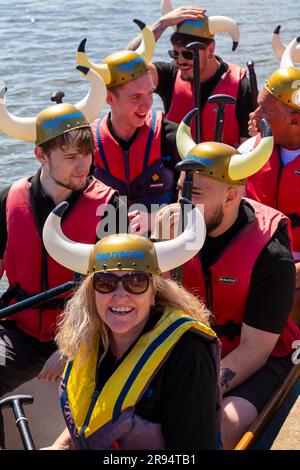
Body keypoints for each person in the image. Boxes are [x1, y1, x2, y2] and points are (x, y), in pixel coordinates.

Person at [154, 109, 300, 449]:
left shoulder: (271, 255)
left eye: (197, 195)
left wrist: (195, 391)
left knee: (220, 425)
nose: (183, 204)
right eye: (180, 192)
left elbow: (254, 351)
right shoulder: (172, 227)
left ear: (231, 196)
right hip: (191, 354)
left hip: (262, 359)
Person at [40, 198, 221, 450]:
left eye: (136, 282)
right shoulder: (91, 338)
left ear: (154, 292)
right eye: (105, 283)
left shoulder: (188, 353)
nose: (120, 295)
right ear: (92, 292)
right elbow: (93, 415)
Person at [0, 68, 118, 448]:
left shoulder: (111, 205)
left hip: (90, 335)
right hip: (20, 330)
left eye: (87, 155)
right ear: (40, 154)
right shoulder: (8, 199)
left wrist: (72, 345)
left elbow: (119, 295)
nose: (83, 166)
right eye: (70, 157)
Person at [76, 20, 180, 235]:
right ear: (109, 98)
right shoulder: (85, 144)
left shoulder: (173, 136)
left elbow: (203, 199)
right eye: (136, 97)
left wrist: (160, 218)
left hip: (162, 251)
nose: (147, 104)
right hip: (105, 254)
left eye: (150, 93)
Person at [127, 3, 253, 146]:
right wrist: (162, 24)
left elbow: (248, 145)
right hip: (178, 166)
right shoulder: (168, 75)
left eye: (188, 54)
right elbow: (122, 69)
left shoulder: (241, 86)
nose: (180, 60)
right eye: (175, 53)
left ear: (211, 50)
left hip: (223, 165)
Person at [245, 37, 300, 325]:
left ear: (295, 120)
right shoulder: (250, 151)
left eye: (265, 111)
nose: (254, 117)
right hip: (258, 259)